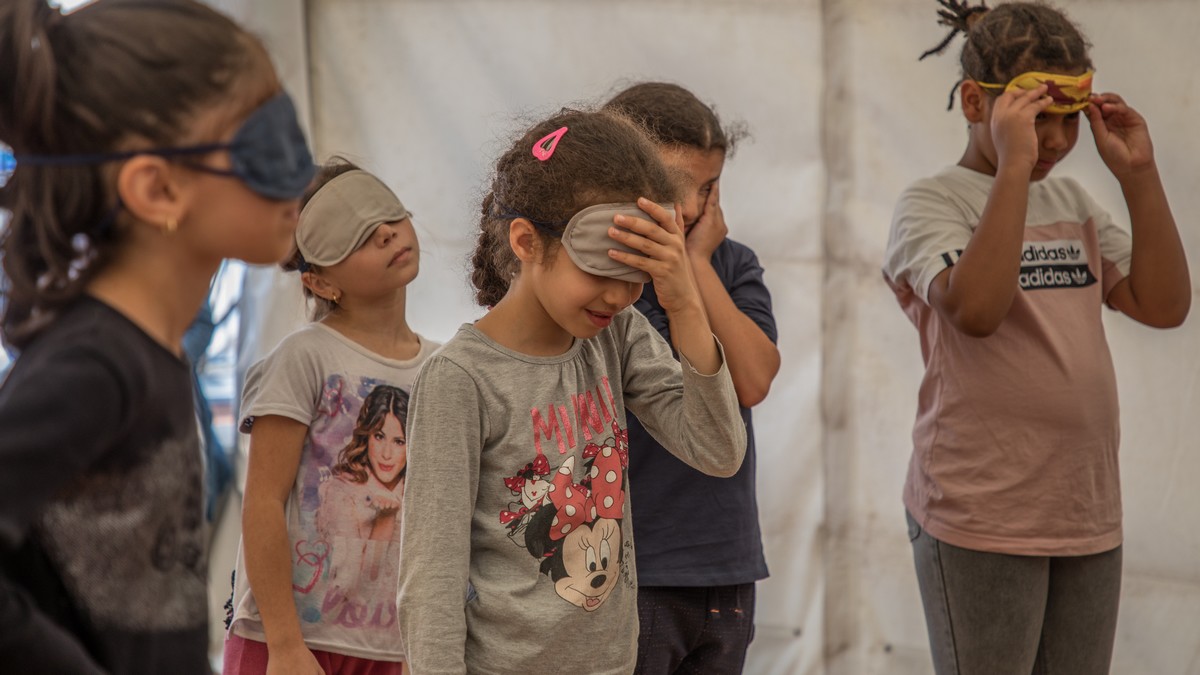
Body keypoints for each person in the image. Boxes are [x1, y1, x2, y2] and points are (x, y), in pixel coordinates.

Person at [0, 1, 314, 673]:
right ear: (158, 187)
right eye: (265, 142)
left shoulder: (152, 352)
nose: (301, 169)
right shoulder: (94, 367)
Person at [882, 2, 1190, 672]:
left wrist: (1138, 175)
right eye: (1036, 118)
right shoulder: (930, 204)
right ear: (974, 102)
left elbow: (1164, 305)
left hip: (1084, 509)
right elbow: (977, 310)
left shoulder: (1074, 203)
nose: (1053, 140)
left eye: (1068, 120)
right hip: (981, 513)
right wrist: (1014, 171)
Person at [396, 108, 748, 675]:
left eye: (636, 276)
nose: (617, 296)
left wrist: (682, 300)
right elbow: (430, 579)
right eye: (598, 270)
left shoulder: (618, 336)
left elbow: (718, 450)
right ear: (527, 242)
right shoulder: (460, 378)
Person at [226, 159, 438, 675]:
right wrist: (284, 645)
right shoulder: (303, 358)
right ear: (321, 283)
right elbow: (263, 502)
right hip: (294, 642)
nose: (388, 233)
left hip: (393, 647)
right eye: (359, 236)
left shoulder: (443, 367)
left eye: (389, 216)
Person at [602, 82, 779, 674]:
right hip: (634, 566)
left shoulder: (731, 263)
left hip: (725, 565)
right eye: (673, 186)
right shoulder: (602, 277)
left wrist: (696, 265)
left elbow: (751, 381)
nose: (689, 208)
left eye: (706, 188)